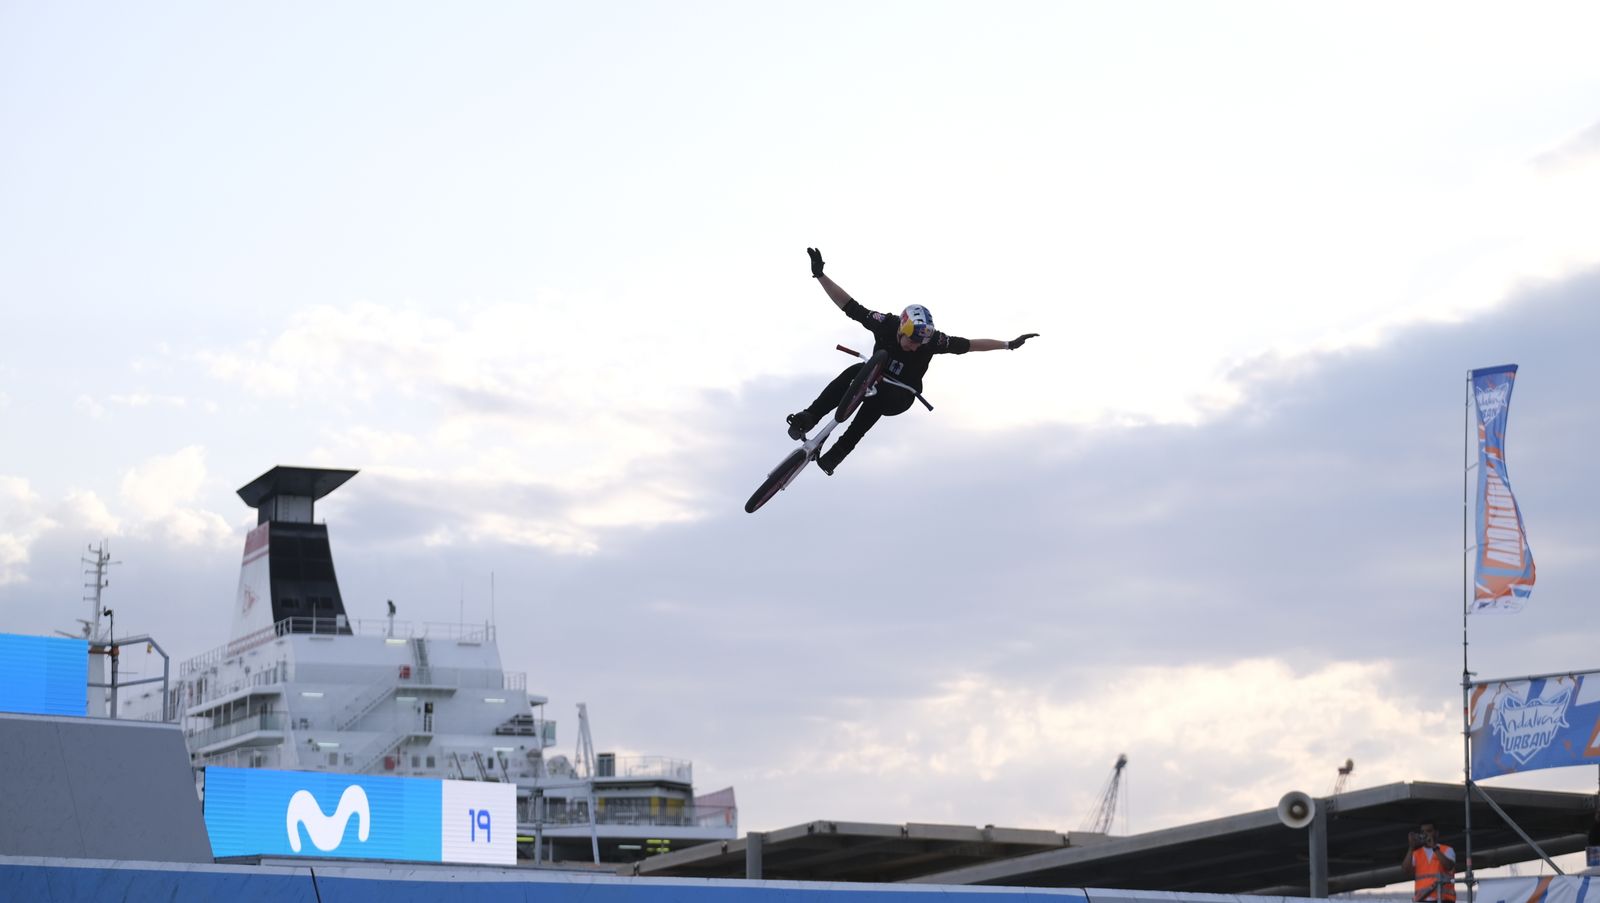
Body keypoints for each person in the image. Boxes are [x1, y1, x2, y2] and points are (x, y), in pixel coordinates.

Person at [784, 247, 1039, 475]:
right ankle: (808, 417)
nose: (915, 346)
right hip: (871, 377)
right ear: (902, 330)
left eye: (920, 343)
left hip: (900, 395)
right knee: (854, 371)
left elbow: (971, 345)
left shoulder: (934, 341)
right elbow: (849, 305)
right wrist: (819, 275)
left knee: (868, 414)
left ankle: (834, 457)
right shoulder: (886, 324)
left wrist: (1008, 344)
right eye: (911, 340)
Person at [1400, 821, 1457, 903]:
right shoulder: (1416, 853)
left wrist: (1434, 847)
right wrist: (1411, 847)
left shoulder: (1447, 850)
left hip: (1443, 899)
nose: (1425, 834)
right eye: (1423, 832)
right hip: (1422, 899)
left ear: (1436, 833)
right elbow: (1405, 870)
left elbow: (1449, 866)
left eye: (1429, 831)